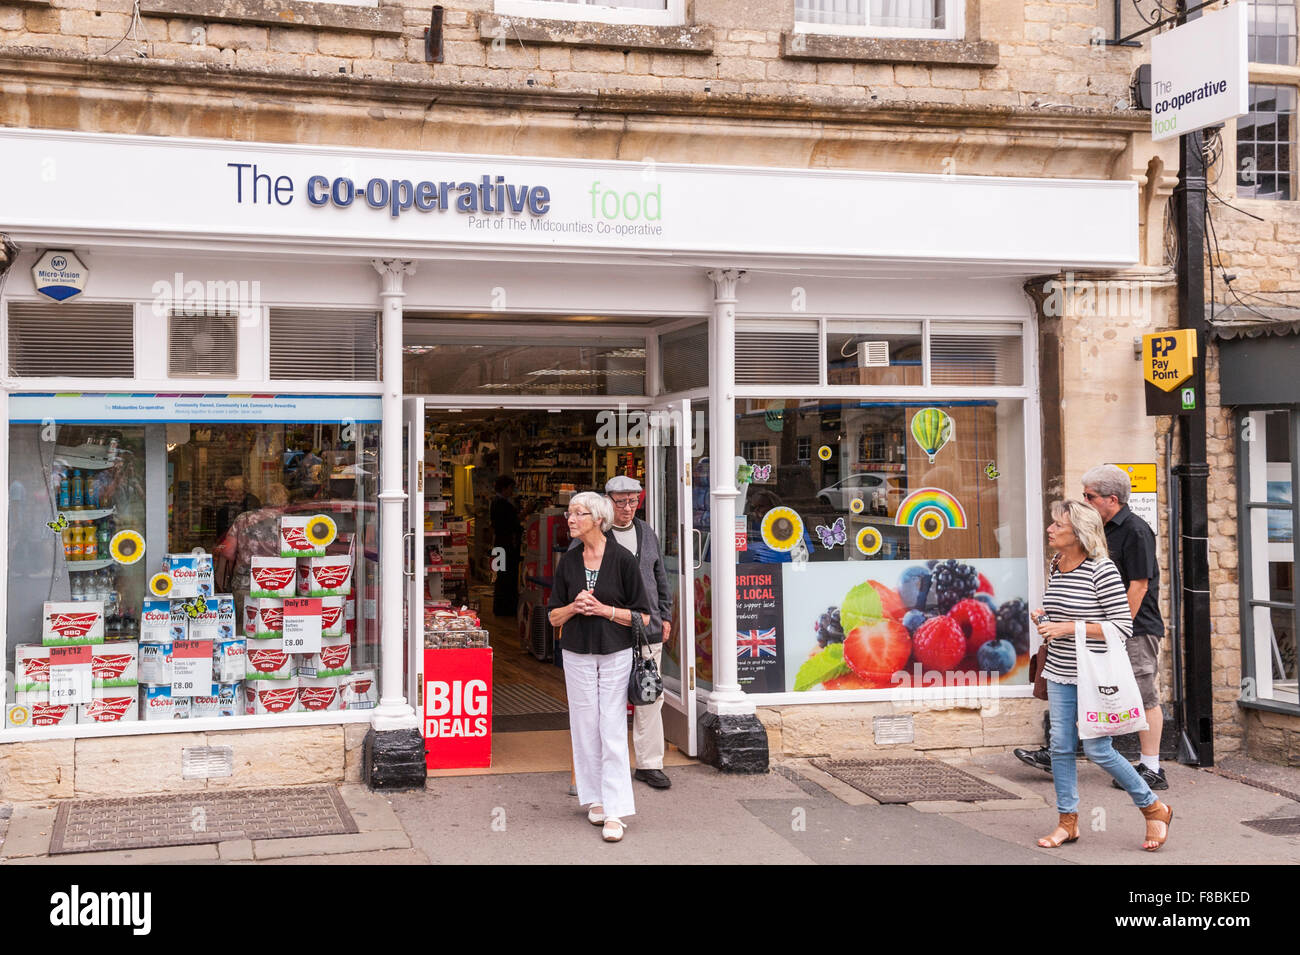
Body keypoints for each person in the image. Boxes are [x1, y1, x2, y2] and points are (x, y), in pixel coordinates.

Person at [1015, 465, 1169, 791]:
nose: (1084, 500)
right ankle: (1059, 750)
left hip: (1137, 627)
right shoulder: (1093, 534)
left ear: (1111, 499)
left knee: (1143, 695)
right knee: (1079, 689)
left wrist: (1114, 630)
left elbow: (1139, 586)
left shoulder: (1136, 531)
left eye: (1089, 496)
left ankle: (1152, 767)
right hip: (1095, 631)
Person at [1032, 499, 1172, 851]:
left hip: (1095, 675)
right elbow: (1065, 612)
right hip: (1061, 670)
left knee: (1097, 748)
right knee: (1061, 747)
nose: (1050, 529)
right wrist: (1046, 619)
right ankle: (1068, 822)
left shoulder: (1102, 570)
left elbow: (1122, 626)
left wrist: (1066, 628)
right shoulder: (1057, 563)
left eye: (1057, 525)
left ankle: (1153, 807)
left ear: (1079, 533)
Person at [548, 491, 652, 843]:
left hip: (615, 651)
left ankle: (616, 809)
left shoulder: (623, 560)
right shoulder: (570, 562)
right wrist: (575, 608)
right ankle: (593, 798)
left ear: (597, 519)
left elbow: (642, 615)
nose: (570, 520)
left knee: (610, 725)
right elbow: (552, 616)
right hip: (576, 651)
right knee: (583, 724)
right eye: (569, 514)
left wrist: (606, 610)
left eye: (577, 514)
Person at [604, 476, 675, 789]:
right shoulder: (597, 533)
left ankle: (649, 764)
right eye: (621, 502)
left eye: (634, 501)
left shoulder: (647, 532)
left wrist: (666, 615)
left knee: (649, 694)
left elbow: (660, 576)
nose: (628, 508)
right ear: (608, 501)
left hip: (648, 627)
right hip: (610, 627)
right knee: (611, 698)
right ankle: (611, 763)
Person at [490, 475, 522, 618]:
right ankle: (507, 608)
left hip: (498, 545)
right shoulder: (504, 505)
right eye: (510, 488)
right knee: (508, 576)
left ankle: (499, 607)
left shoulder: (495, 503)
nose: (512, 491)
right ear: (504, 488)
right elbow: (513, 524)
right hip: (506, 547)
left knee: (500, 576)